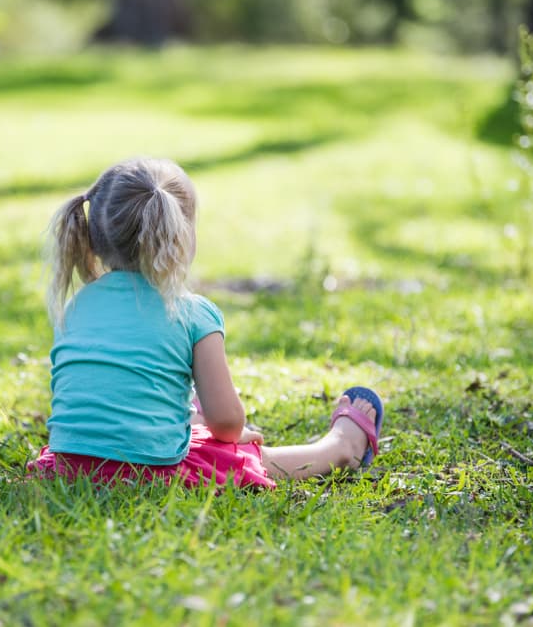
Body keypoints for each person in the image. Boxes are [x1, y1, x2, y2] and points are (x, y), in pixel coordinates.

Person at [28, 157, 385, 488]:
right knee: (239, 456)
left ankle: (185, 418)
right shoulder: (192, 313)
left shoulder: (76, 305)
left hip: (70, 467)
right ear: (180, 238)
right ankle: (337, 449)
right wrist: (230, 433)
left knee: (188, 427)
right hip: (154, 471)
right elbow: (228, 423)